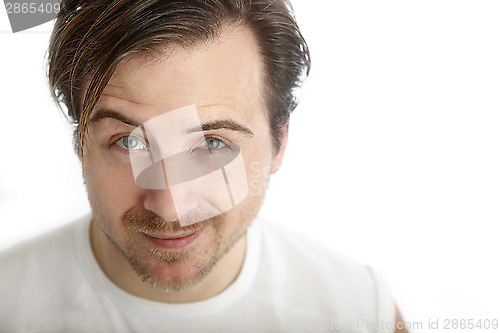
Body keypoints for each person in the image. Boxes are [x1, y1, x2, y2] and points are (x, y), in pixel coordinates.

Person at [0, 0, 408, 332]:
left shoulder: (359, 310)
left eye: (212, 144)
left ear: (279, 141)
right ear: (79, 144)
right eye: (130, 142)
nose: (170, 206)